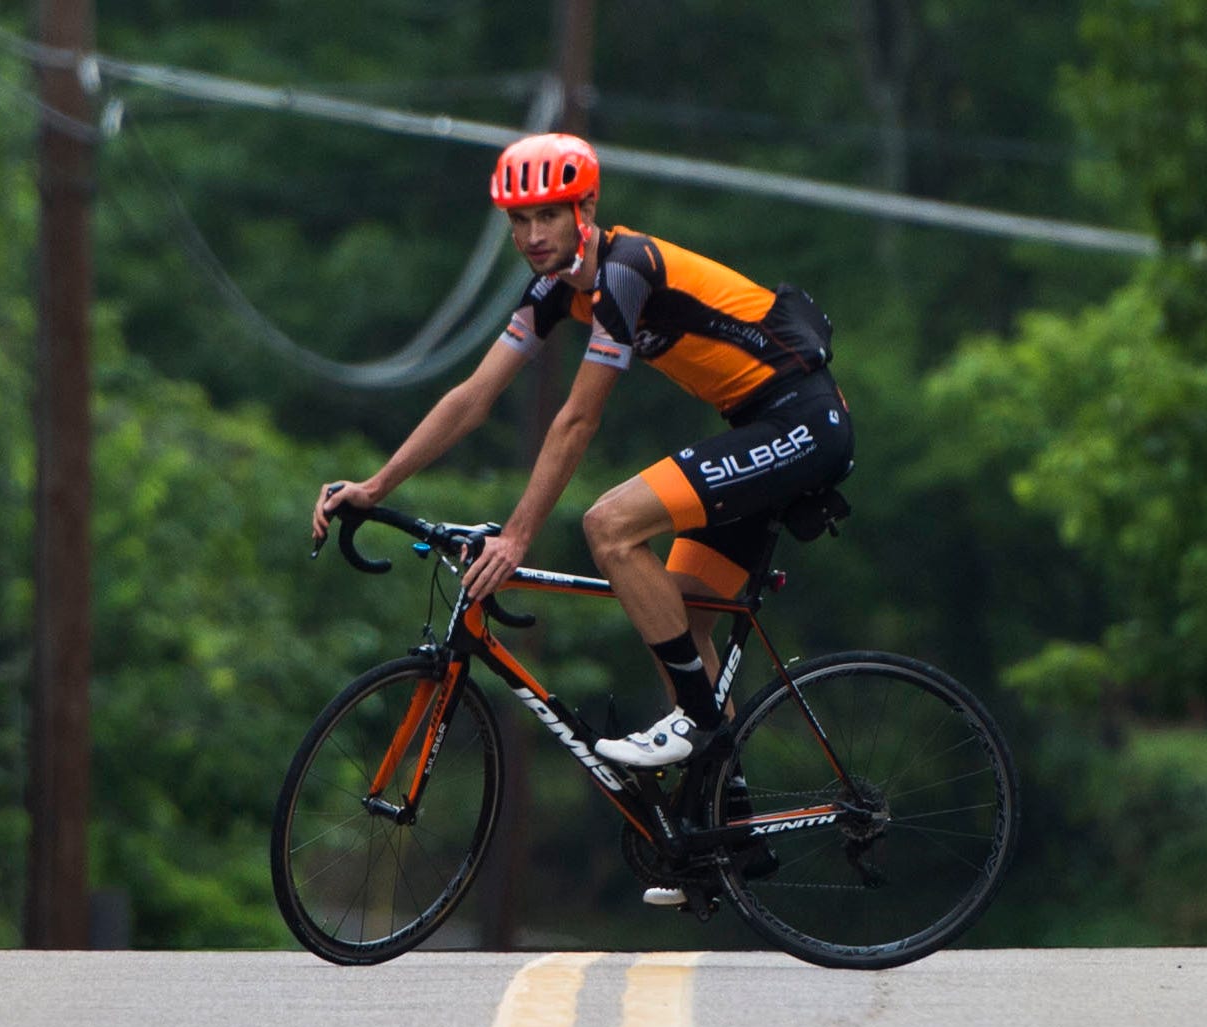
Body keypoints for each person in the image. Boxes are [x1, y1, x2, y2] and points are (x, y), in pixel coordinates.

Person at [307, 131, 853, 790]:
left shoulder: (625, 269)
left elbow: (577, 420)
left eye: (548, 215)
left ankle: (697, 726)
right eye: (519, 220)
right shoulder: (555, 291)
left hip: (800, 421)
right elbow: (472, 398)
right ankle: (726, 827)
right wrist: (374, 485)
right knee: (673, 616)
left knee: (609, 526)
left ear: (583, 211)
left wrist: (516, 537)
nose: (533, 234)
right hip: (757, 428)